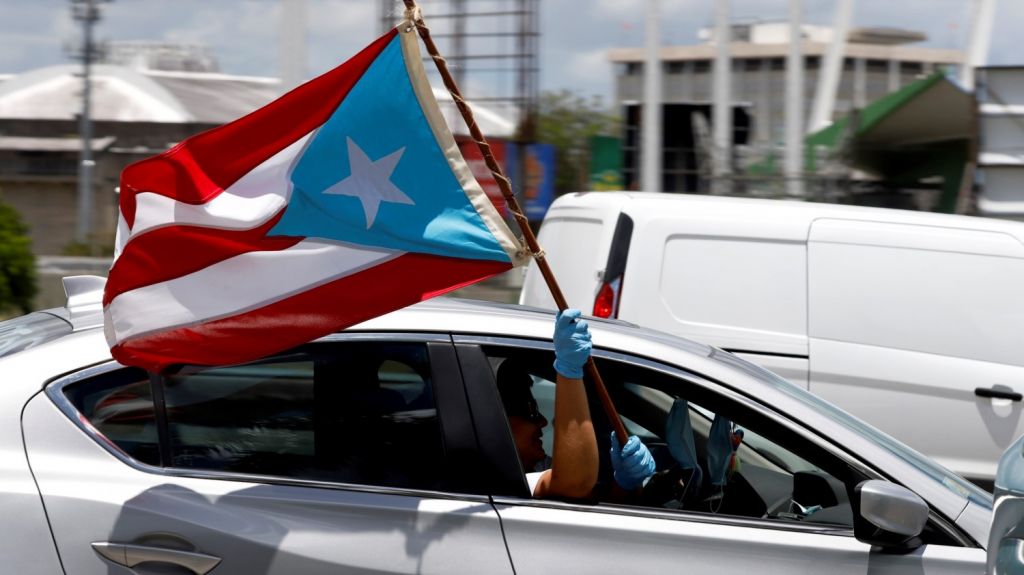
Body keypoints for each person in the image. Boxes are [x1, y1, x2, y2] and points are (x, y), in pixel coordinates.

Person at [499, 308, 656, 499]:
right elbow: (575, 483)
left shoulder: (540, 467)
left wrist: (625, 484)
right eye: (530, 411)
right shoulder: (490, 478)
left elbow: (594, 506)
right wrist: (569, 372)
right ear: (498, 420)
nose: (542, 422)